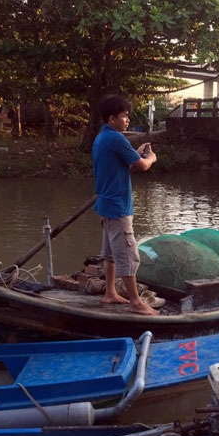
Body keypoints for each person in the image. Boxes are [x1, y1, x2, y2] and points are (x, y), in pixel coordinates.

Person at [92, 94, 159, 315]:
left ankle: (110, 292)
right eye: (124, 116)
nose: (127, 120)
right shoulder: (117, 139)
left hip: (106, 205)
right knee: (129, 255)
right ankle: (135, 302)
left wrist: (137, 153)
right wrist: (151, 159)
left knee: (110, 253)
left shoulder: (102, 137)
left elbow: (122, 165)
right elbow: (142, 166)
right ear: (112, 119)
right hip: (118, 207)